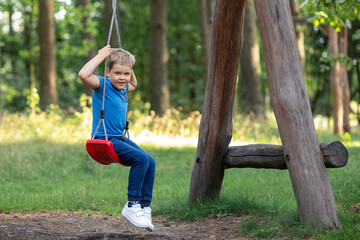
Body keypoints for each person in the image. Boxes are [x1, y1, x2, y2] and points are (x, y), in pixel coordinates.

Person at [78, 45, 156, 231]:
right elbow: (83, 74)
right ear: (108, 72)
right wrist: (101, 56)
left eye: (126, 74)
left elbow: (134, 84)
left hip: (119, 138)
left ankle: (144, 207)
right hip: (104, 138)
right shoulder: (102, 85)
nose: (122, 78)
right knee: (141, 159)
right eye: (118, 73)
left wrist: (129, 65)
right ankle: (132, 204)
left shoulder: (123, 88)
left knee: (150, 162)